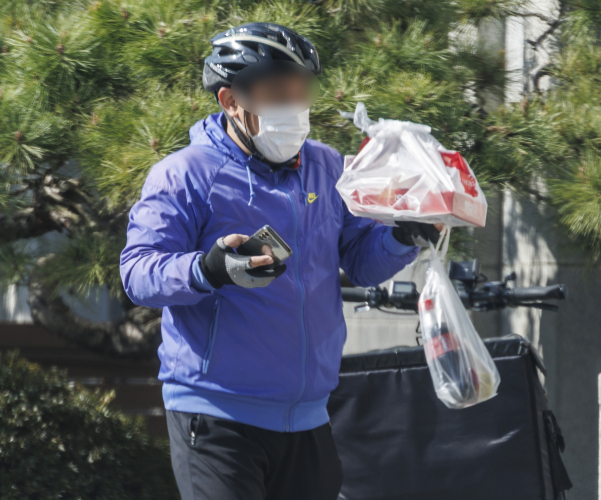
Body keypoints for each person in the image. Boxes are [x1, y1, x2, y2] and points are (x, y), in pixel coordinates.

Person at [120, 22, 440, 500]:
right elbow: (137, 273)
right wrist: (206, 270)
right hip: (215, 415)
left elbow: (360, 260)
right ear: (230, 100)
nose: (293, 106)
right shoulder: (185, 174)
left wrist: (402, 237)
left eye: (300, 90)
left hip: (309, 416)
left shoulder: (327, 166)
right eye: (276, 93)